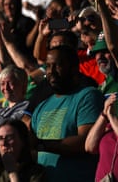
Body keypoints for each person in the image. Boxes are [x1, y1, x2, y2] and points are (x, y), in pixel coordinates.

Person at [29, 44, 103, 181]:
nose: (51, 71)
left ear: (74, 68)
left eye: (58, 65)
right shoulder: (42, 106)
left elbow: (86, 141)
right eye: (48, 66)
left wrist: (42, 145)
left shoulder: (88, 96)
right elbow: (31, 147)